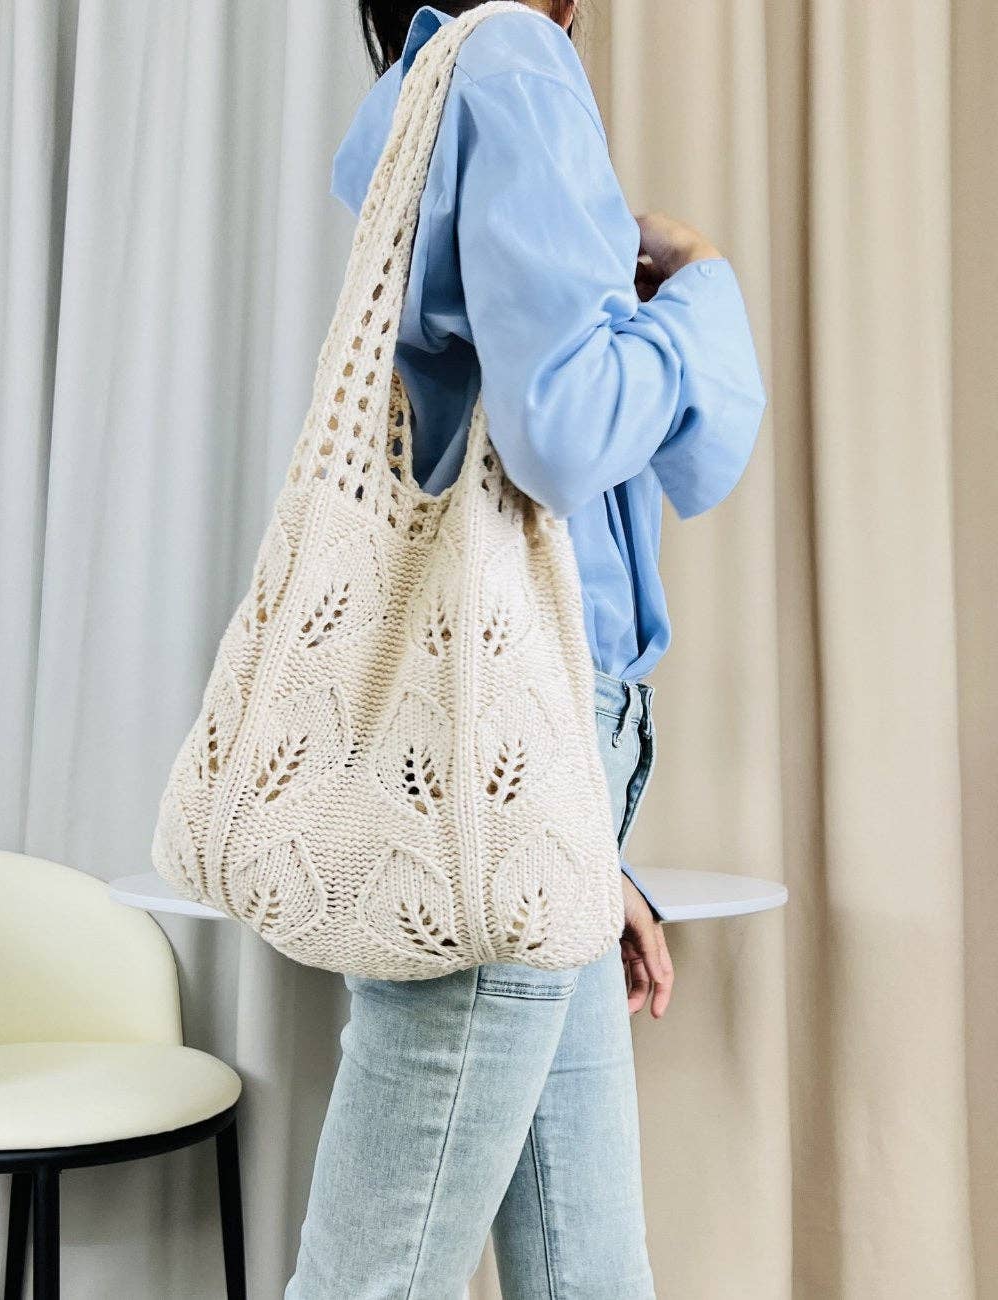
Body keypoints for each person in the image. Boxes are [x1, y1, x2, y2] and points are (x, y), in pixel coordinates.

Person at [286, 3, 767, 1296]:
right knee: (374, 1279)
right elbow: (562, 432)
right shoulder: (513, 60)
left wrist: (585, 851)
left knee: (587, 1272)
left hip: (527, 763)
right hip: (516, 750)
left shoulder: (430, 80)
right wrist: (699, 290)